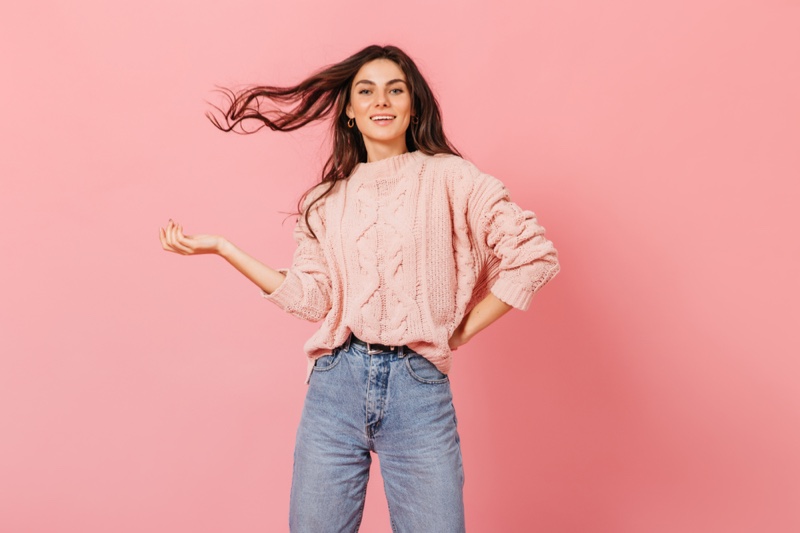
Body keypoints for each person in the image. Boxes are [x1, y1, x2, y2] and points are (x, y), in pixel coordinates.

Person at [159, 44, 559, 533]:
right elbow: (314, 300)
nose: (381, 101)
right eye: (365, 91)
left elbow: (532, 256)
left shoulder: (451, 178)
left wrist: (459, 333)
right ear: (349, 110)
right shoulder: (324, 201)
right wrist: (225, 248)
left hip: (419, 390)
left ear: (413, 105)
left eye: (396, 89)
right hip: (334, 387)